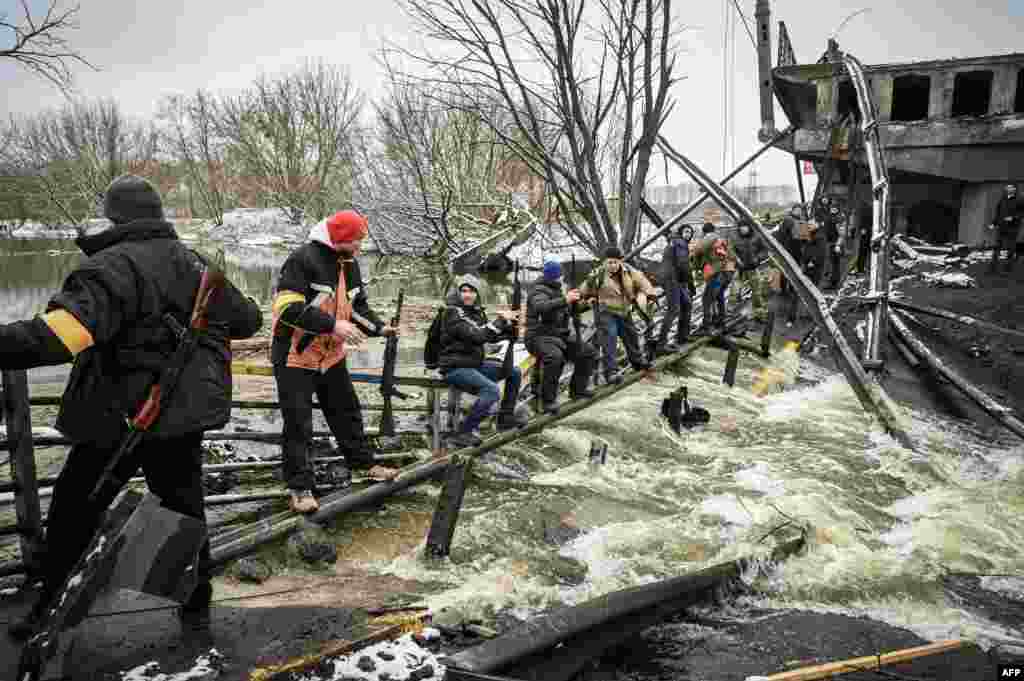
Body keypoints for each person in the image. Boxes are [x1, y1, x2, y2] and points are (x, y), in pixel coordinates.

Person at [2, 175, 263, 640]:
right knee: (183, 503)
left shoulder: (110, 267)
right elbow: (247, 320)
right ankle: (195, 600)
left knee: (74, 510)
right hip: (183, 416)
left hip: (117, 417)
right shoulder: (198, 262)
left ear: (114, 217)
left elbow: (61, 336)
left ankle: (51, 606)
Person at [271, 209, 399, 515]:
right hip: (295, 356)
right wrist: (332, 326)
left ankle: (364, 464)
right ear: (340, 239)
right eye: (356, 241)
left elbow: (356, 307)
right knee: (298, 424)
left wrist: (379, 327)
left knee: (347, 411)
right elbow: (286, 308)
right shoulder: (302, 259)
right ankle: (300, 488)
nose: (360, 246)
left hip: (331, 355)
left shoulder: (350, 264)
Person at [437, 274, 528, 447]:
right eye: (463, 291)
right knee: (492, 391)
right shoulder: (452, 312)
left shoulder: (477, 313)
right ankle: (464, 432)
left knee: (514, 372)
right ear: (458, 293)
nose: (468, 295)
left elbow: (488, 336)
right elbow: (477, 336)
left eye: (472, 291)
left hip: (473, 364)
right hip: (455, 367)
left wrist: (509, 330)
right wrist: (501, 319)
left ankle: (505, 418)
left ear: (477, 294)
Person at [524, 261, 596, 414]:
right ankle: (548, 401)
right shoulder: (538, 290)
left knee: (587, 352)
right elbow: (541, 307)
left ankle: (578, 390)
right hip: (538, 337)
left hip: (558, 335)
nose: (563, 280)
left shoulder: (555, 290)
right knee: (555, 358)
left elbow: (563, 310)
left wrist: (586, 305)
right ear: (556, 277)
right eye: (561, 277)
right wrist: (566, 299)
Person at [580, 247, 656, 385]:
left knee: (631, 335)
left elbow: (642, 281)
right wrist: (588, 299)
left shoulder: (628, 270)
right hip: (605, 311)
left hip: (624, 310)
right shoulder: (597, 274)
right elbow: (584, 290)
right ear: (604, 262)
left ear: (620, 261)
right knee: (610, 339)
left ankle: (637, 362)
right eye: (609, 263)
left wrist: (650, 295)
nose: (612, 265)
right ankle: (611, 373)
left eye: (615, 262)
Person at [689, 224, 738, 333]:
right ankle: (720, 322)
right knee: (719, 296)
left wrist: (694, 264)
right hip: (728, 273)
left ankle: (707, 325)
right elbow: (733, 256)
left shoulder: (709, 238)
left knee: (707, 299)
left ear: (704, 232)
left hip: (718, 274)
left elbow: (697, 250)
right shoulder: (722, 239)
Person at [656, 225, 696, 354]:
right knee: (673, 310)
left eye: (690, 232)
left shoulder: (676, 242)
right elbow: (683, 264)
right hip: (671, 278)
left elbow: (681, 265)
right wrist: (691, 284)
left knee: (687, 304)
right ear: (680, 233)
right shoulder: (680, 243)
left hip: (675, 279)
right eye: (686, 231)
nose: (688, 234)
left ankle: (682, 336)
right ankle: (661, 344)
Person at [730, 220, 769, 323]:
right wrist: (736, 259)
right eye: (741, 227)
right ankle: (732, 318)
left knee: (757, 294)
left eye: (745, 226)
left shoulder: (757, 237)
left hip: (753, 269)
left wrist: (758, 258)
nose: (743, 229)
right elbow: (731, 250)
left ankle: (761, 315)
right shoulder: (735, 238)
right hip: (740, 270)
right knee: (734, 293)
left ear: (749, 227)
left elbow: (765, 251)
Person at [990, 184, 1021, 273]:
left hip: (1012, 227)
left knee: (1010, 248)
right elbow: (998, 213)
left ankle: (1008, 267)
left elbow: (1021, 213)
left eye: (1011, 187)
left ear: (1015, 189)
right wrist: (994, 223)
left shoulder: (1020, 200)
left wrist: (1013, 217)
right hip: (1002, 226)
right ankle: (993, 267)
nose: (1009, 189)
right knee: (997, 246)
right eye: (1008, 187)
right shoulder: (1002, 200)